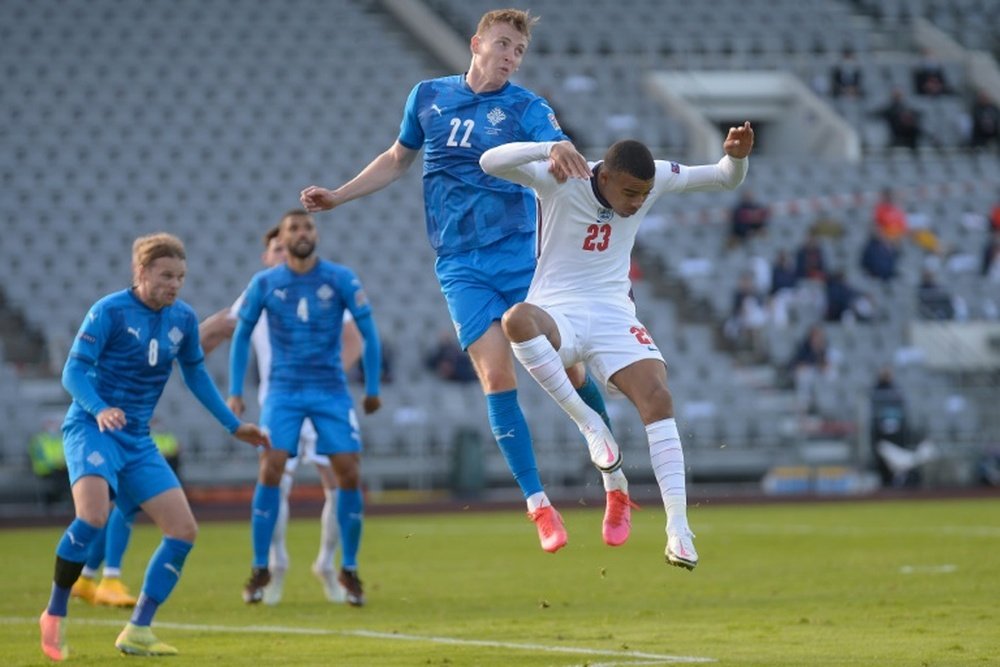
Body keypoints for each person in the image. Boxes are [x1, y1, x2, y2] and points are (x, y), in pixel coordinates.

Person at [300, 8, 614, 553]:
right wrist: (339, 194)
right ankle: (538, 505)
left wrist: (560, 146)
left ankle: (615, 479)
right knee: (497, 378)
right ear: (476, 44)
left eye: (518, 50)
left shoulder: (525, 106)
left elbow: (554, 140)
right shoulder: (427, 96)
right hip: (460, 263)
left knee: (571, 364)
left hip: (520, 257)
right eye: (503, 44)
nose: (511, 56)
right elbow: (398, 158)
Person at [481, 122, 755, 569]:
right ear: (603, 177)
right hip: (559, 312)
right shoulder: (559, 177)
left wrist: (737, 156)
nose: (637, 203)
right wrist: (550, 145)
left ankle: (679, 531)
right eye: (630, 193)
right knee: (516, 320)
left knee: (659, 397)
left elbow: (724, 176)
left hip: (612, 314)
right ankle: (592, 427)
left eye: (644, 195)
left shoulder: (652, 179)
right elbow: (489, 161)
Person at [38, 232, 270, 661]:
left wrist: (234, 426)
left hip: (137, 440)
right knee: (92, 515)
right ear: (141, 272)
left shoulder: (182, 319)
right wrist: (101, 407)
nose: (175, 284)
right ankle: (54, 613)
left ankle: (139, 629)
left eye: (180, 276)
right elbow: (72, 373)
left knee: (183, 531)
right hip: (91, 428)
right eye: (166, 275)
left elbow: (196, 376)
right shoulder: (108, 311)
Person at [200, 223, 363, 605]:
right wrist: (185, 348)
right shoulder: (261, 289)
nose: (281, 253)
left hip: (322, 396)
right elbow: (222, 327)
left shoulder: (320, 286)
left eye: (283, 247)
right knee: (276, 482)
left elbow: (353, 339)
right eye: (275, 248)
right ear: (267, 255)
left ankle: (327, 562)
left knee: (340, 481)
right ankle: (275, 564)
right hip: (280, 401)